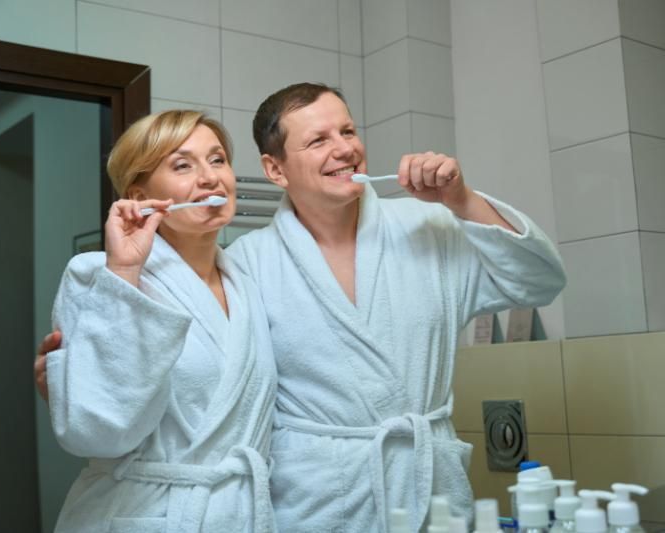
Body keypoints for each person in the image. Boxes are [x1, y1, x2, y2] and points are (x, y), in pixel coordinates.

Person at [38, 83, 566, 532]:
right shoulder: (244, 263)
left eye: (349, 131)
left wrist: (461, 199)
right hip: (274, 504)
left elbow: (539, 280)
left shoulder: (247, 273)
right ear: (275, 169)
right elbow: (107, 418)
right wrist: (79, 377)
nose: (343, 149)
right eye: (318, 140)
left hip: (391, 489)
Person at [42, 110, 278, 532]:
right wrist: (125, 272)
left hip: (239, 513)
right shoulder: (96, 275)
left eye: (218, 159)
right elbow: (95, 430)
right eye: (183, 165)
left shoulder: (248, 284)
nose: (210, 178)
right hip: (141, 515)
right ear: (138, 193)